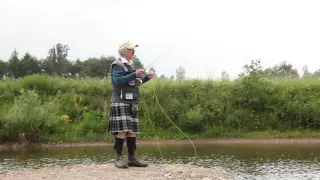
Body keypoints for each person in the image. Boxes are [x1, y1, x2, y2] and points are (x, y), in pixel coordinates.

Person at [108, 41, 153, 168]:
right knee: (122, 130)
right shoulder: (117, 65)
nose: (134, 52)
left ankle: (132, 158)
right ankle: (118, 158)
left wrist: (145, 78)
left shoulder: (130, 65)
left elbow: (135, 83)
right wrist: (134, 74)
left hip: (132, 101)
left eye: (134, 50)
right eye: (131, 50)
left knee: (132, 130)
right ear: (124, 51)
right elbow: (118, 80)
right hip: (120, 101)